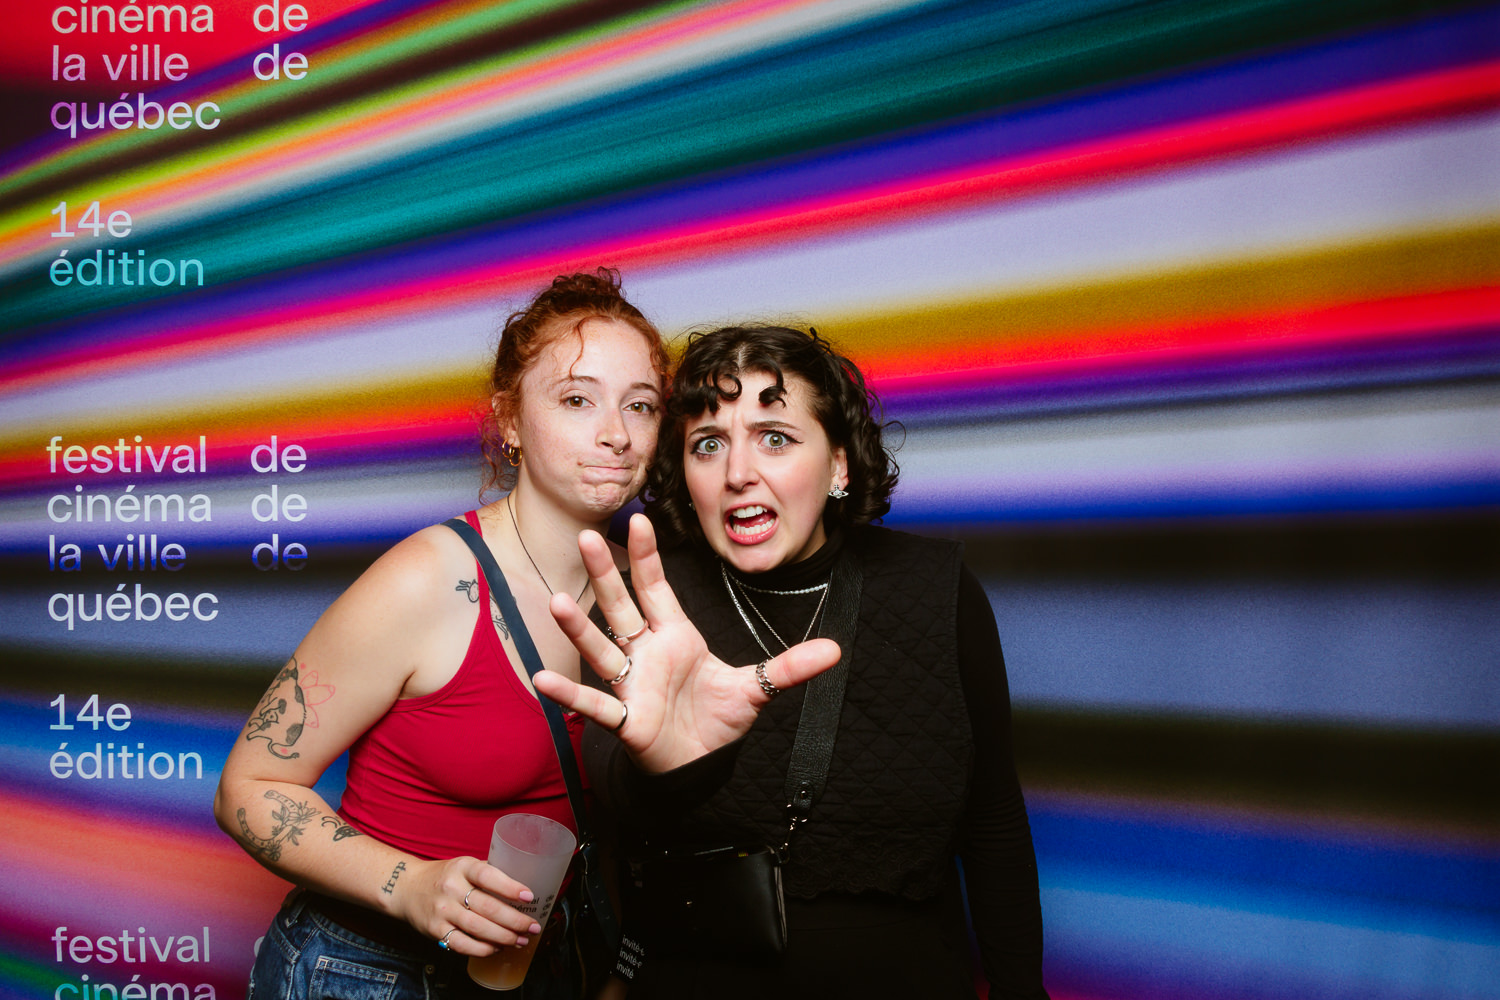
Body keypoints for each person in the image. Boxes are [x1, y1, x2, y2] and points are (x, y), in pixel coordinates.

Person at [534, 325, 1049, 998]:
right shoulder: (648, 604)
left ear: (839, 465)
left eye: (774, 437)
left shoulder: (936, 589)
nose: (737, 472)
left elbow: (993, 821)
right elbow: (617, 799)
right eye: (708, 443)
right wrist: (666, 765)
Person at [213, 268, 670, 1000]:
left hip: (539, 971)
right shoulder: (428, 579)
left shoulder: (652, 596)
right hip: (363, 970)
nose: (616, 434)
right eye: (576, 399)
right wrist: (408, 884)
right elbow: (248, 788)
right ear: (510, 421)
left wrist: (617, 966)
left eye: (640, 405)